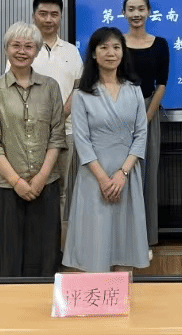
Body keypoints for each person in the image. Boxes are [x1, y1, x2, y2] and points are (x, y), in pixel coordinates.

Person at [0, 21, 66, 277]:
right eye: (16, 45)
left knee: (44, 259)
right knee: (5, 260)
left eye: (29, 46)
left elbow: (56, 136)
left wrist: (40, 179)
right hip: (3, 188)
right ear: (6, 48)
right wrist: (17, 182)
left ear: (37, 51)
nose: (22, 51)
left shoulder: (50, 87)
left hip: (45, 186)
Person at [63, 27, 150, 272]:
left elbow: (141, 134)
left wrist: (123, 174)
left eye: (116, 47)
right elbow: (81, 140)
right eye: (104, 47)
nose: (111, 53)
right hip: (94, 177)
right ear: (93, 53)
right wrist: (103, 179)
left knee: (126, 245)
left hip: (126, 176)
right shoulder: (82, 94)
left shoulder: (134, 90)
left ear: (123, 52)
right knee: (95, 244)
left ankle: (122, 295)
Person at [22, 0, 83, 235]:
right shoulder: (24, 48)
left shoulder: (72, 51)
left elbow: (78, 89)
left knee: (60, 189)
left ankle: (53, 244)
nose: (49, 19)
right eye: (43, 14)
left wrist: (58, 117)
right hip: (29, 133)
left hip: (64, 132)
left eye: (54, 14)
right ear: (34, 16)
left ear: (61, 17)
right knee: (31, 185)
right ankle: (32, 242)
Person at [122, 0, 169, 247]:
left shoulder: (160, 44)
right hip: (118, 114)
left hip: (149, 112)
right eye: (131, 9)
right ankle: (123, 237)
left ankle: (145, 239)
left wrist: (145, 118)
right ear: (124, 13)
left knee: (147, 176)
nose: (136, 14)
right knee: (120, 172)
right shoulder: (116, 43)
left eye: (141, 8)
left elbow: (162, 84)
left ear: (149, 11)